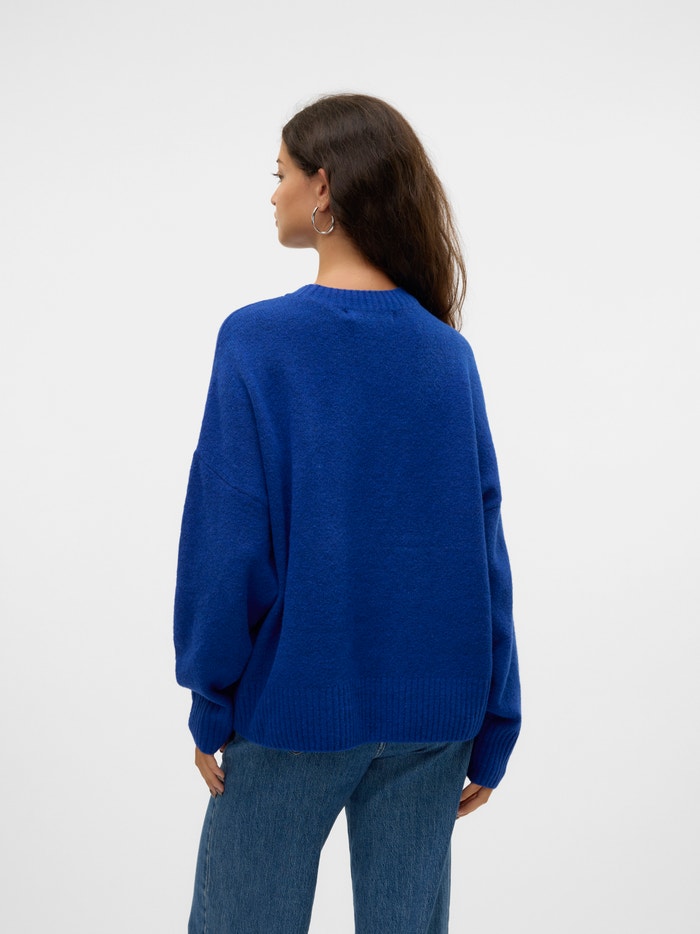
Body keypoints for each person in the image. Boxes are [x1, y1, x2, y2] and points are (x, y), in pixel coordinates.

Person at [174, 92, 521, 934]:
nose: (274, 194)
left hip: (293, 707)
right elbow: (484, 552)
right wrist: (497, 721)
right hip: (436, 721)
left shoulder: (258, 341)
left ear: (323, 187)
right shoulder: (447, 353)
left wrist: (211, 697)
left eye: (281, 174)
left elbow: (228, 542)